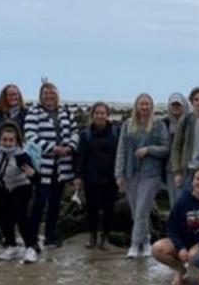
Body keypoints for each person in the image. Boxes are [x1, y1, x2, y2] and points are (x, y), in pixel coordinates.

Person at [24, 82, 79, 250]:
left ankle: (50, 237)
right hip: (43, 166)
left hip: (61, 167)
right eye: (46, 93)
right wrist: (52, 148)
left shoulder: (65, 112)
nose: (49, 96)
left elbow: (75, 132)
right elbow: (31, 136)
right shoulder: (34, 112)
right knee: (39, 203)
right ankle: (32, 239)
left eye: (52, 93)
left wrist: (70, 147)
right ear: (41, 96)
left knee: (55, 204)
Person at [115, 93, 171, 258]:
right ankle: (146, 241)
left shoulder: (158, 125)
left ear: (151, 106)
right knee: (137, 211)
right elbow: (121, 151)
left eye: (147, 104)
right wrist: (119, 174)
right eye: (142, 104)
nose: (144, 107)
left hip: (150, 174)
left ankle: (134, 245)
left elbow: (165, 148)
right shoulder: (127, 125)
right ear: (136, 106)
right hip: (131, 173)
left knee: (141, 210)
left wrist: (148, 150)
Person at [152, 166, 199, 285]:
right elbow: (171, 228)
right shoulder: (182, 201)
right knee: (157, 248)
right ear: (192, 181)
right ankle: (180, 269)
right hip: (184, 240)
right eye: (198, 179)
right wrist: (181, 247)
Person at [74, 102, 120, 250]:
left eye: (103, 113)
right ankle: (92, 236)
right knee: (91, 208)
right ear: (92, 115)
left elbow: (121, 154)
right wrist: (78, 176)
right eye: (97, 113)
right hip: (91, 177)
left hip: (110, 177)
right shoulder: (85, 134)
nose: (100, 116)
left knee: (109, 209)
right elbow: (81, 157)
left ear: (107, 115)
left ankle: (104, 237)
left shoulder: (116, 132)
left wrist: (122, 175)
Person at [0, 122, 37, 262]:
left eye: (11, 140)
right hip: (1, 186)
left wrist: (32, 173)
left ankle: (30, 248)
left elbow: (36, 178)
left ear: (17, 141)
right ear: (0, 139)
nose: (8, 143)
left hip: (21, 187)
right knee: (2, 216)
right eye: (5, 140)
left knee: (20, 216)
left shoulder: (21, 156)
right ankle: (12, 246)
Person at [169, 87, 199, 191]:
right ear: (192, 102)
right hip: (188, 170)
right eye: (196, 99)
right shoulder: (185, 121)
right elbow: (176, 147)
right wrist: (177, 172)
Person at [162, 92, 190, 208]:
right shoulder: (164, 123)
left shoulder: (189, 122)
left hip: (187, 168)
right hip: (170, 169)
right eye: (173, 105)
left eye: (178, 105)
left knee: (185, 201)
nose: (175, 107)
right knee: (174, 202)